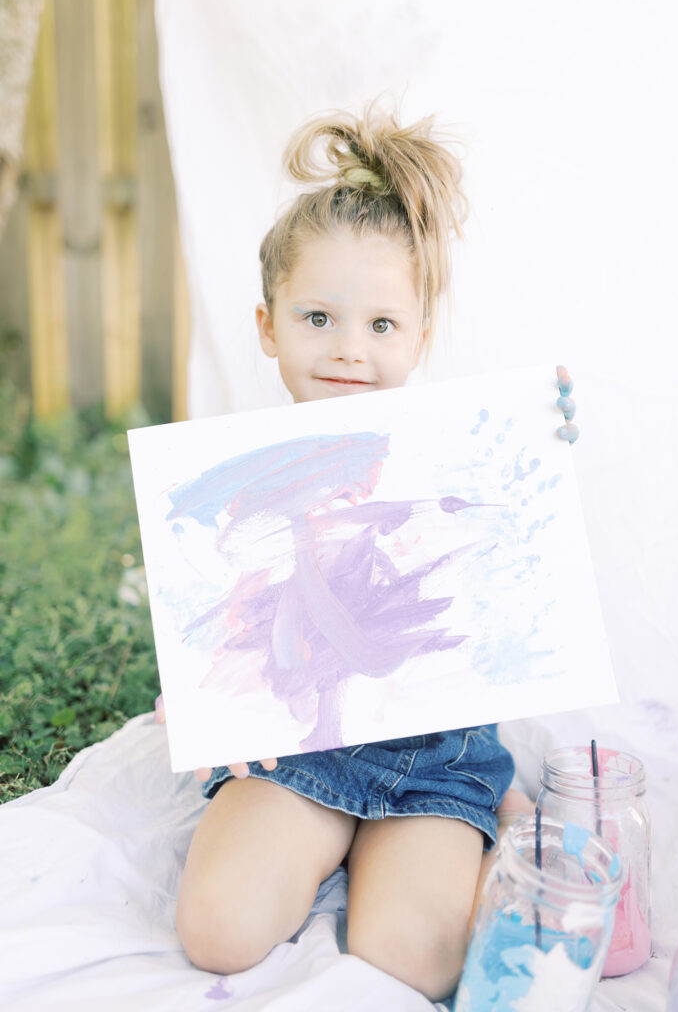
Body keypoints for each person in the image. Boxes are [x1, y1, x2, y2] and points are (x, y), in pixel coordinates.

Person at [172, 100, 576, 1001]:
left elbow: (513, 570)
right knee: (218, 931)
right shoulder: (232, 482)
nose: (349, 349)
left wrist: (540, 442)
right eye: (318, 318)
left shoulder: (465, 450)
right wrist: (200, 693)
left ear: (421, 339)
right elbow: (221, 620)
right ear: (268, 325)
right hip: (299, 747)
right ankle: (325, 846)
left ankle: (495, 822)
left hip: (434, 752)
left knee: (415, 960)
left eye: (382, 327)